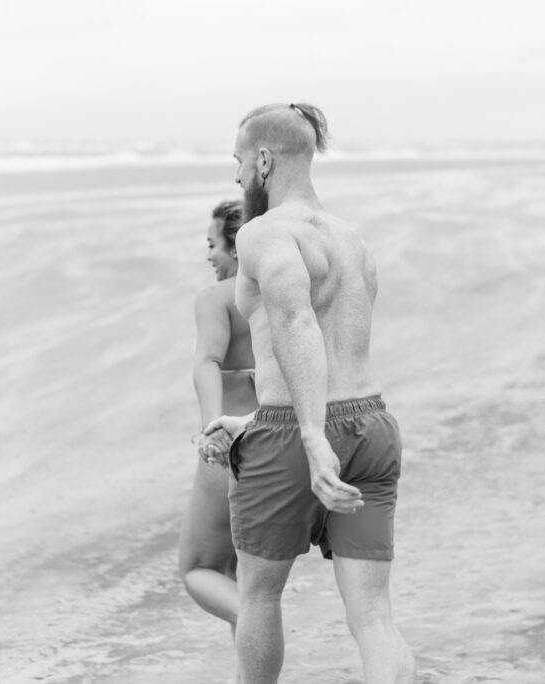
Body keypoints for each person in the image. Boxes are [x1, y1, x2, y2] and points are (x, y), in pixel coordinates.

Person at [204, 103, 415, 683]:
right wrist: (262, 425)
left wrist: (309, 435)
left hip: (296, 432)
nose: (237, 176)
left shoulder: (263, 234)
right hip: (372, 426)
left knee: (259, 596)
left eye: (240, 162)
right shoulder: (353, 240)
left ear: (264, 160)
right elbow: (336, 348)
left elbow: (295, 321)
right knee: (373, 615)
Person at [178, 200, 257, 632]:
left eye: (213, 244)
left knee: (201, 568)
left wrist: (213, 431)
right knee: (248, 577)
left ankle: (258, 624)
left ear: (237, 248)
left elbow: (206, 361)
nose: (209, 255)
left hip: (233, 442)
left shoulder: (216, 298)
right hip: (284, 433)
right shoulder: (289, 290)